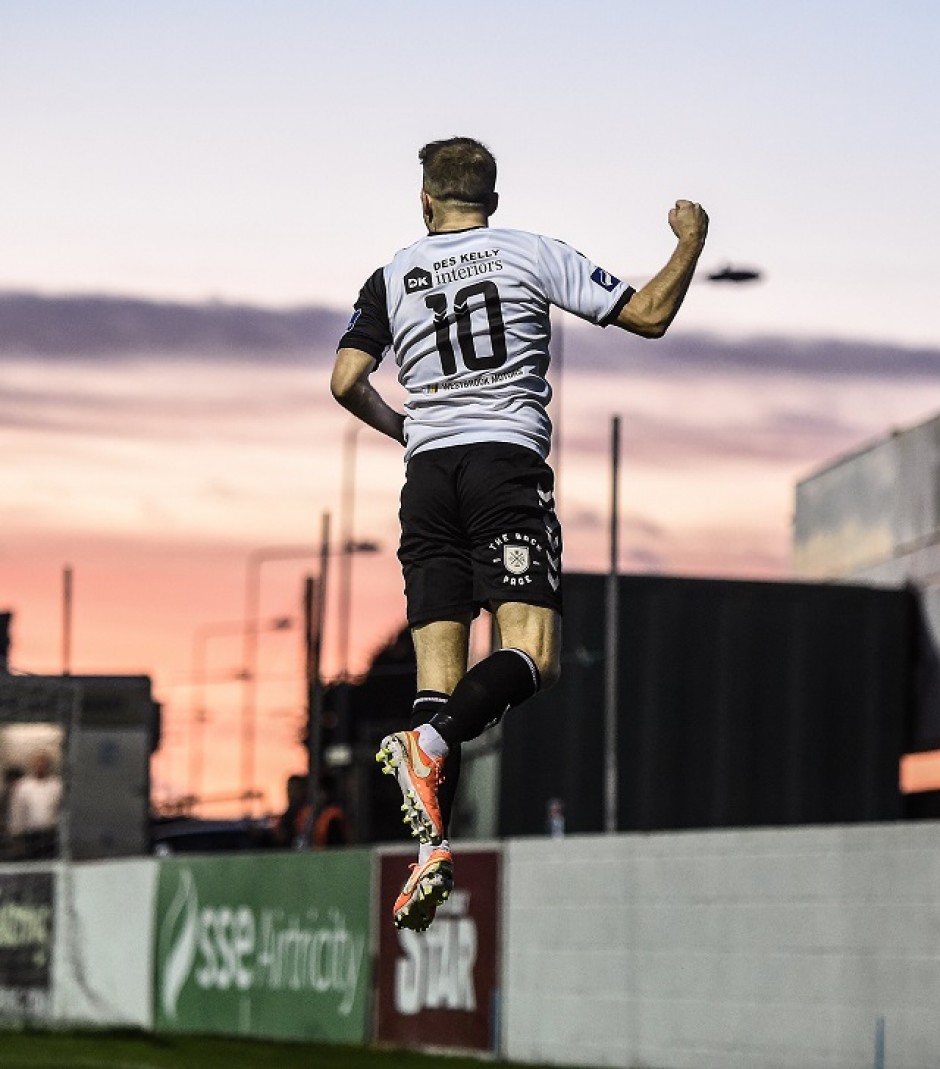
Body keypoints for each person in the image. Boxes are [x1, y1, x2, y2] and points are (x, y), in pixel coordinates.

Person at [331, 136, 708, 931]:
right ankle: (428, 743)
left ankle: (430, 850)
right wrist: (690, 242)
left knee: (441, 681)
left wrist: (405, 428)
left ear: (426, 203)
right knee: (531, 656)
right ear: (491, 203)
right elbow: (648, 313)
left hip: (428, 480)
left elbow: (344, 382)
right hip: (505, 468)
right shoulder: (529, 251)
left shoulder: (392, 273)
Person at [8, 750, 62, 859]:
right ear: (32, 765)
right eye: (37, 763)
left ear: (48, 765)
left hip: (52, 834)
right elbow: (17, 812)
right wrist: (16, 836)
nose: (40, 766)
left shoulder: (57, 785)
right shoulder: (23, 786)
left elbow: (62, 810)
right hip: (30, 835)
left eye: (43, 763)